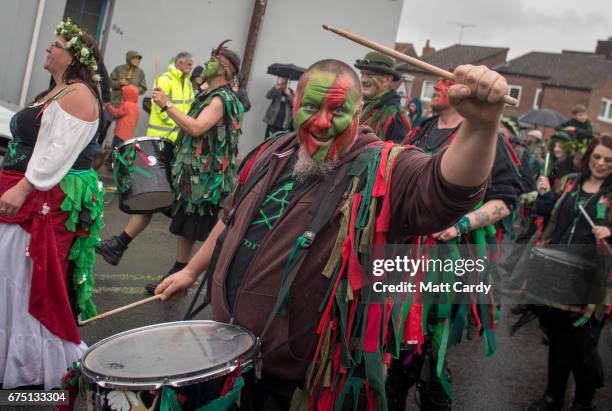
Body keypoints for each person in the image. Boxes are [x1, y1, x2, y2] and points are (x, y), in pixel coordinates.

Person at [154, 59, 509, 410]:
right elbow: (229, 219)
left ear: (359, 113)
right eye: (311, 106)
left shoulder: (383, 169)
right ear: (295, 105)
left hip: (300, 386)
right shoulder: (270, 151)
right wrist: (191, 270)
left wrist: (480, 126)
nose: (323, 122)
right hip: (226, 356)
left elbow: (446, 190)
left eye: (338, 110)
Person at [386, 78, 522, 410]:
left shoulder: (486, 138)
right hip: (406, 255)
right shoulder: (422, 128)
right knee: (395, 349)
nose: (435, 89)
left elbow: (505, 201)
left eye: (443, 85)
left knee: (432, 354)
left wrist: (460, 224)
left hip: (445, 263)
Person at [0, 18, 104, 389]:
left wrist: (24, 188)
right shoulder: (56, 90)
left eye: (55, 44)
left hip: (38, 198)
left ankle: (33, 366)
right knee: (8, 277)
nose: (48, 49)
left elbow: (57, 152)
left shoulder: (78, 93)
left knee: (25, 279)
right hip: (21, 188)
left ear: (73, 54)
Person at [143, 41, 242, 294]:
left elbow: (197, 127)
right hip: (195, 175)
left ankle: (198, 279)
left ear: (223, 69)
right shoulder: (212, 94)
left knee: (206, 230)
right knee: (186, 225)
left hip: (205, 179)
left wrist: (167, 105)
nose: (205, 64)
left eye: (212, 61)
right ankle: (178, 272)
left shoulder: (220, 99)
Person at [527, 134, 612, 411]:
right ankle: (553, 397)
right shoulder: (570, 182)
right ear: (589, 156)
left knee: (583, 343)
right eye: (597, 157)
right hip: (558, 271)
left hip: (593, 279)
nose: (600, 163)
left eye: (608, 160)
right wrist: (544, 194)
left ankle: (583, 402)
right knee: (558, 338)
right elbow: (545, 212)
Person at [96, 52, 195, 267]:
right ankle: (120, 246)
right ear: (179, 63)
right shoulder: (165, 80)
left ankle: (121, 246)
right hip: (163, 144)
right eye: (188, 64)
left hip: (181, 144)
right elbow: (159, 106)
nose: (191, 67)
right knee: (155, 197)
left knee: (162, 201)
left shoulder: (188, 85)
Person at [355, 51, 411, 143]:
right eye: (362, 74)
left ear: (387, 80)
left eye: (370, 75)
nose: (363, 80)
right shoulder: (357, 106)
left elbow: (397, 154)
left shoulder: (396, 118)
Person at [104, 84, 140, 149]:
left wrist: (108, 106)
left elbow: (116, 113)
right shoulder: (136, 107)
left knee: (115, 149)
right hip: (128, 135)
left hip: (120, 134)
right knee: (122, 150)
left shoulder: (127, 105)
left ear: (128, 95)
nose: (122, 95)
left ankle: (112, 158)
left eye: (124, 94)